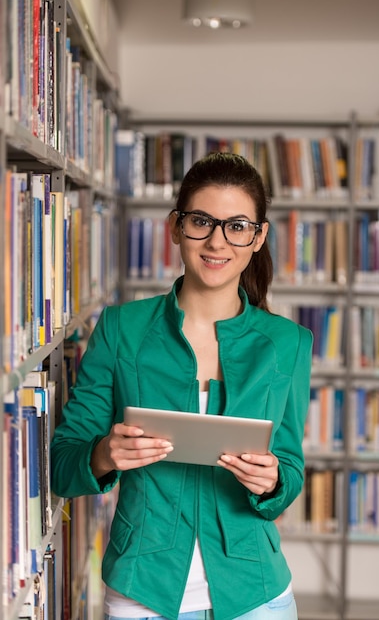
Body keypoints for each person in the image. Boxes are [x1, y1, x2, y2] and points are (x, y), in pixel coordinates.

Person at [50, 152, 313, 620]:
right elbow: (62, 464)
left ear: (259, 237)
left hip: (257, 593)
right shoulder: (120, 330)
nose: (217, 241)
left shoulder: (287, 344)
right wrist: (105, 453)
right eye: (201, 222)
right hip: (143, 591)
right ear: (176, 227)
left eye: (237, 226)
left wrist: (272, 480)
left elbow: (290, 468)